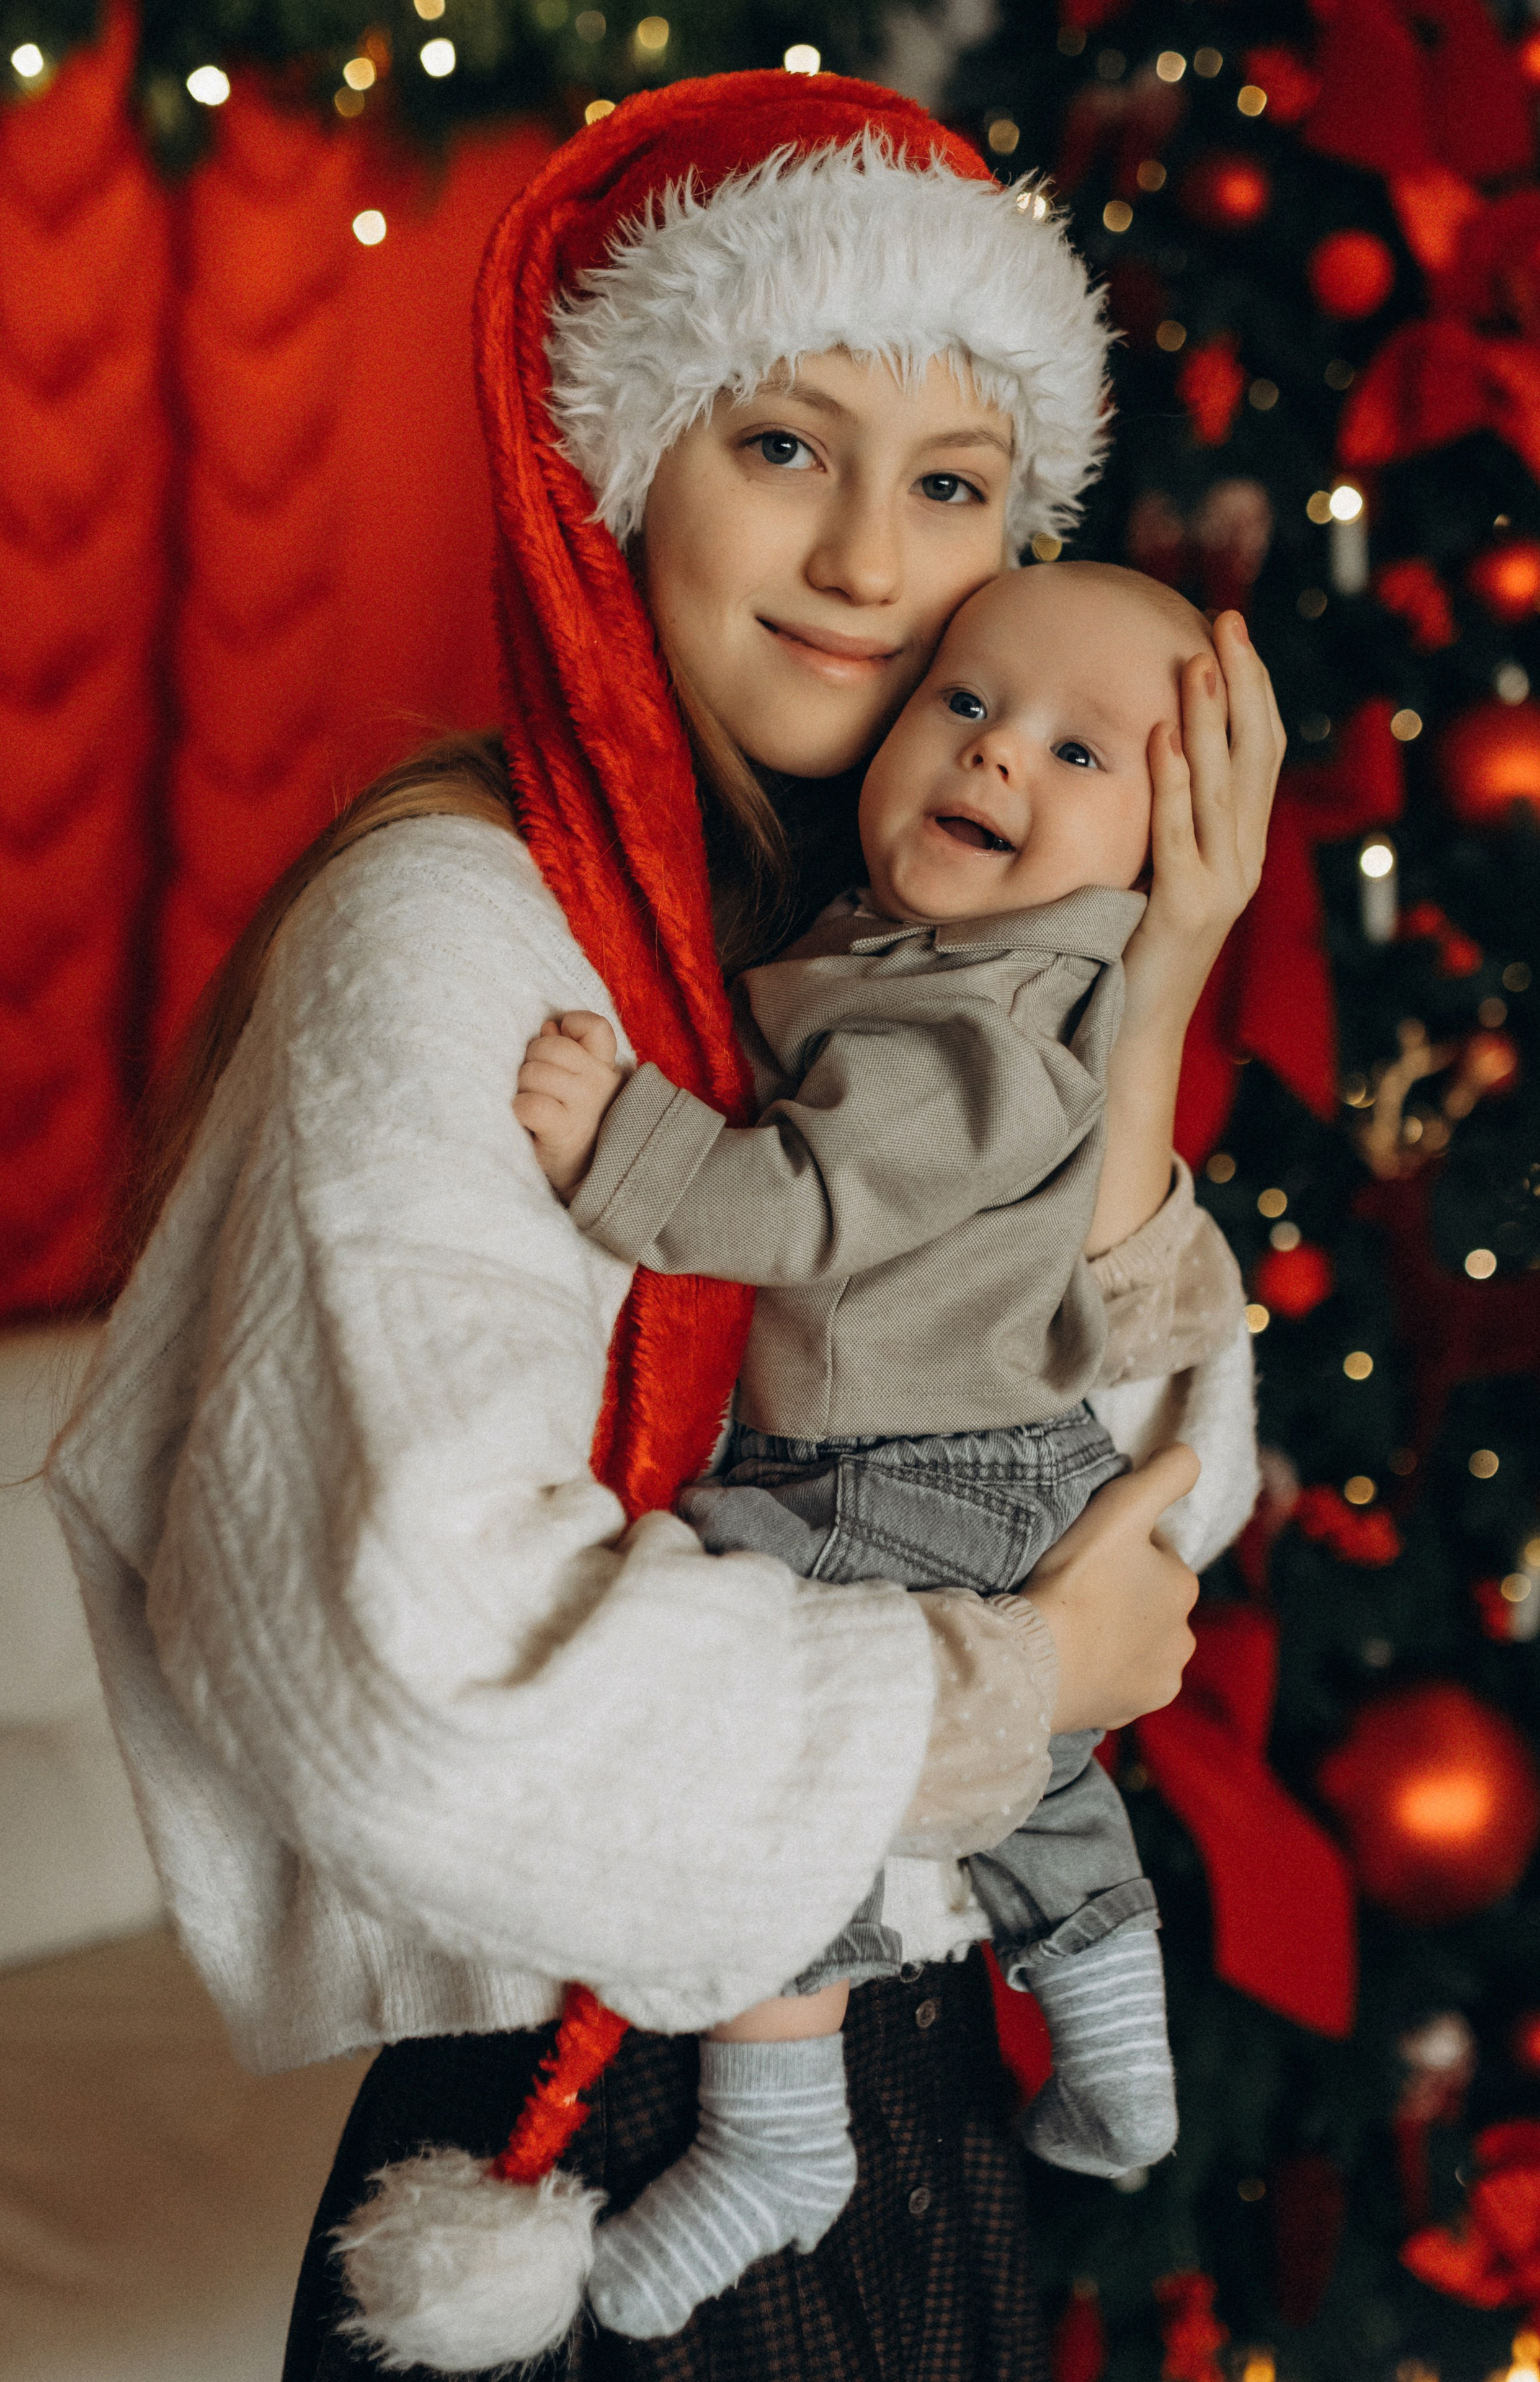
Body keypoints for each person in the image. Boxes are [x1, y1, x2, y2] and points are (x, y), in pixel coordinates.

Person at [46, 70, 1280, 2382]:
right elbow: (418, 1686)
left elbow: (1157, 1469)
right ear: (614, 471)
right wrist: (1009, 1688)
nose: (864, 567)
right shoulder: (457, 936)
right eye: (782, 448)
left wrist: (1165, 978)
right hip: (605, 2142)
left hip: (923, 2120)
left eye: (949, 488)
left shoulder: (926, 927)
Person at [514, 561, 1247, 2339]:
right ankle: (1120, 2039)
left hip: (877, 1473)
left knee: (775, 1766)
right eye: (970, 703)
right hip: (1003, 1463)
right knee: (1044, 1778)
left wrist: (625, 1144)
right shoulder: (972, 966)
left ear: (1160, 845)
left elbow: (810, 1202)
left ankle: (780, 2131)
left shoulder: (967, 1020)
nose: (995, 759)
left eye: (1078, 750)